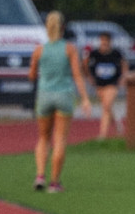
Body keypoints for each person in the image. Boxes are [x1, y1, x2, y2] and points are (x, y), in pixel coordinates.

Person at [28, 11, 91, 192]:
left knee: (43, 138)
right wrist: (85, 99)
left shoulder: (40, 49)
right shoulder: (69, 48)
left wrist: (38, 71)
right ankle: (54, 183)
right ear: (63, 27)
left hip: (45, 95)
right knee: (60, 139)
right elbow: (77, 75)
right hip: (64, 95)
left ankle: (40, 175)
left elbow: (31, 76)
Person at [84, 31, 128, 140]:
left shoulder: (116, 53)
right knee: (106, 107)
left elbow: (124, 64)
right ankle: (118, 124)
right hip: (100, 84)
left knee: (107, 106)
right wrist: (89, 77)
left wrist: (123, 77)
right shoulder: (95, 54)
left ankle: (102, 134)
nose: (104, 43)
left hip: (112, 83)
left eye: (106, 41)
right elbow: (84, 64)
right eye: (102, 41)